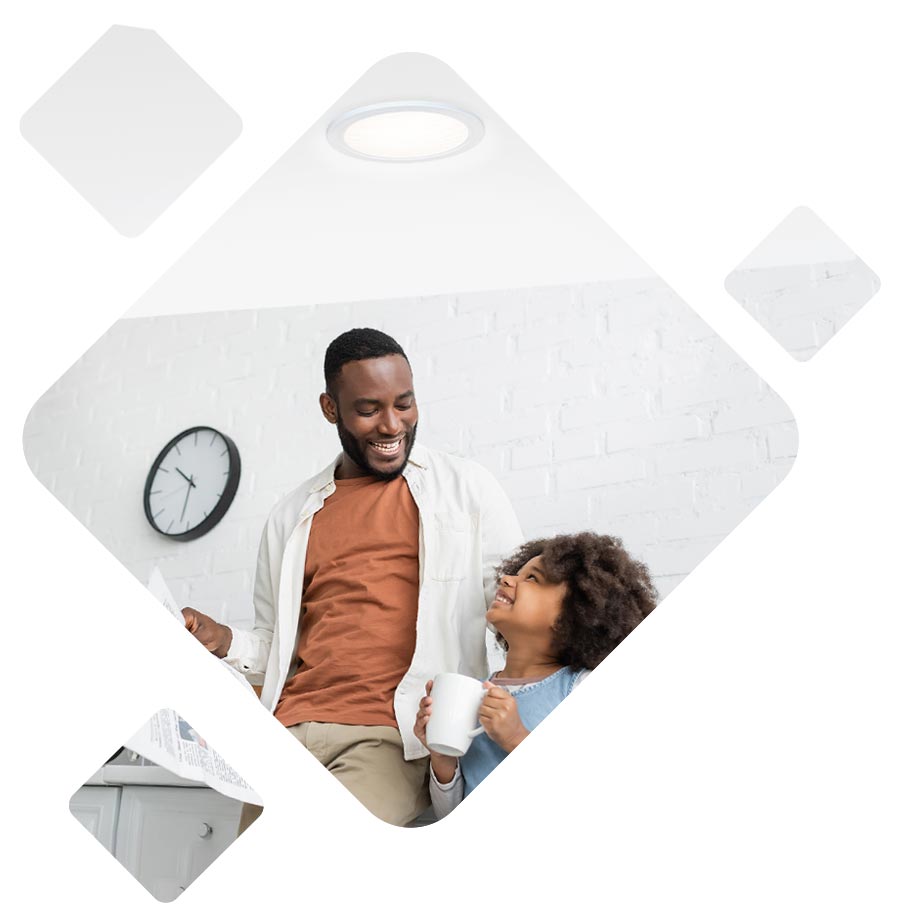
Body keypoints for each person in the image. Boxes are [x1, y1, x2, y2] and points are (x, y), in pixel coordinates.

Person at [182, 328, 522, 827]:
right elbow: (277, 647)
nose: (392, 424)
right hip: (285, 732)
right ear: (330, 408)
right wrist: (223, 640)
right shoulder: (292, 514)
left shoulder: (466, 489)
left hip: (390, 737)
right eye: (369, 410)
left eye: (404, 404)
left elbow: (520, 610)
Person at [414, 531, 657, 819]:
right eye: (516, 573)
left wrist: (516, 738)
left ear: (574, 613)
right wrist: (443, 759)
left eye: (532, 578)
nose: (506, 580)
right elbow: (450, 813)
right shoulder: (475, 695)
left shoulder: (578, 686)